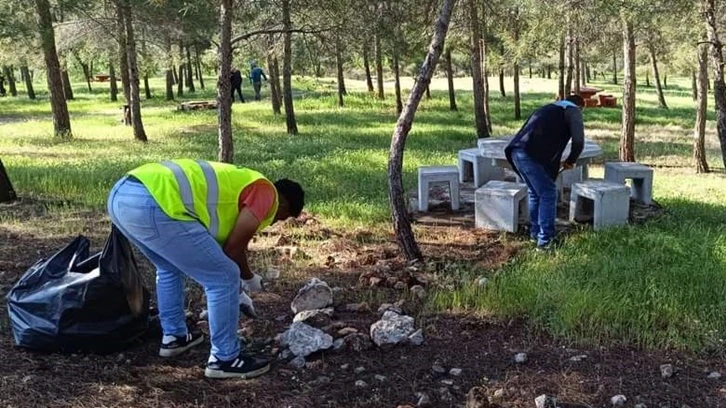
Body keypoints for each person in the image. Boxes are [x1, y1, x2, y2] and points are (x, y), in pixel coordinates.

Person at [107, 159, 305, 379]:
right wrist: (244, 282)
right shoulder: (267, 193)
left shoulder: (243, 182)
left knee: (168, 266)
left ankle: (175, 337)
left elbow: (222, 248)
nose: (275, 221)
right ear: (284, 205)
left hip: (122, 195)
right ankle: (225, 359)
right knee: (224, 277)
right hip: (153, 201)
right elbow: (233, 248)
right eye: (282, 218)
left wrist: (242, 282)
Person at [504, 94, 585, 250]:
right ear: (581, 107)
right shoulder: (573, 109)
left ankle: (535, 235)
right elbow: (579, 141)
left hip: (515, 151)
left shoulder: (549, 108)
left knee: (535, 193)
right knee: (548, 193)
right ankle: (546, 241)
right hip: (530, 155)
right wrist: (571, 160)